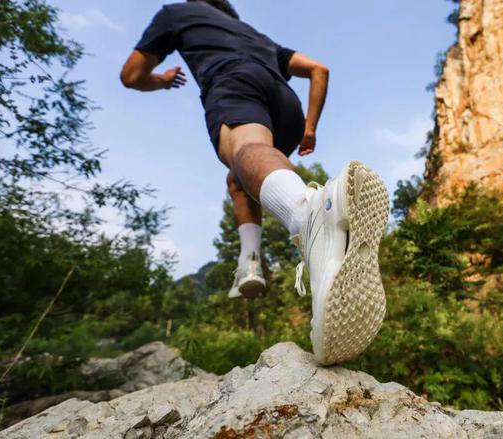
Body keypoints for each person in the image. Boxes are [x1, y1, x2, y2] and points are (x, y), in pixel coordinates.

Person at [120, 0, 389, 365]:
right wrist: (309, 129)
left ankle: (307, 216)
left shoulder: (177, 13)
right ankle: (250, 262)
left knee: (245, 148)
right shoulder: (254, 36)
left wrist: (162, 81)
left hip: (233, 83)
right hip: (286, 106)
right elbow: (318, 69)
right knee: (240, 179)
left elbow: (131, 75)